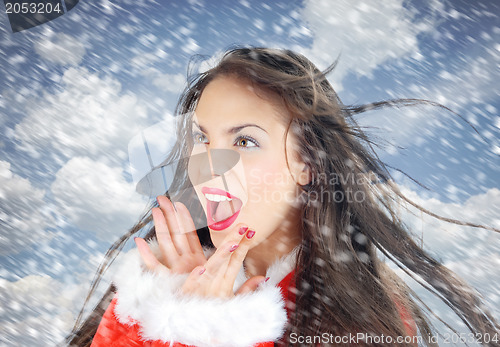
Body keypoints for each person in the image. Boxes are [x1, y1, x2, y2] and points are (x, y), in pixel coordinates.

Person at [67, 47, 499, 346]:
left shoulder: (363, 318)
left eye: (245, 142)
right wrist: (160, 315)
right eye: (202, 138)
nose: (208, 165)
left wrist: (211, 332)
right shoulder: (155, 283)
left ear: (307, 164)